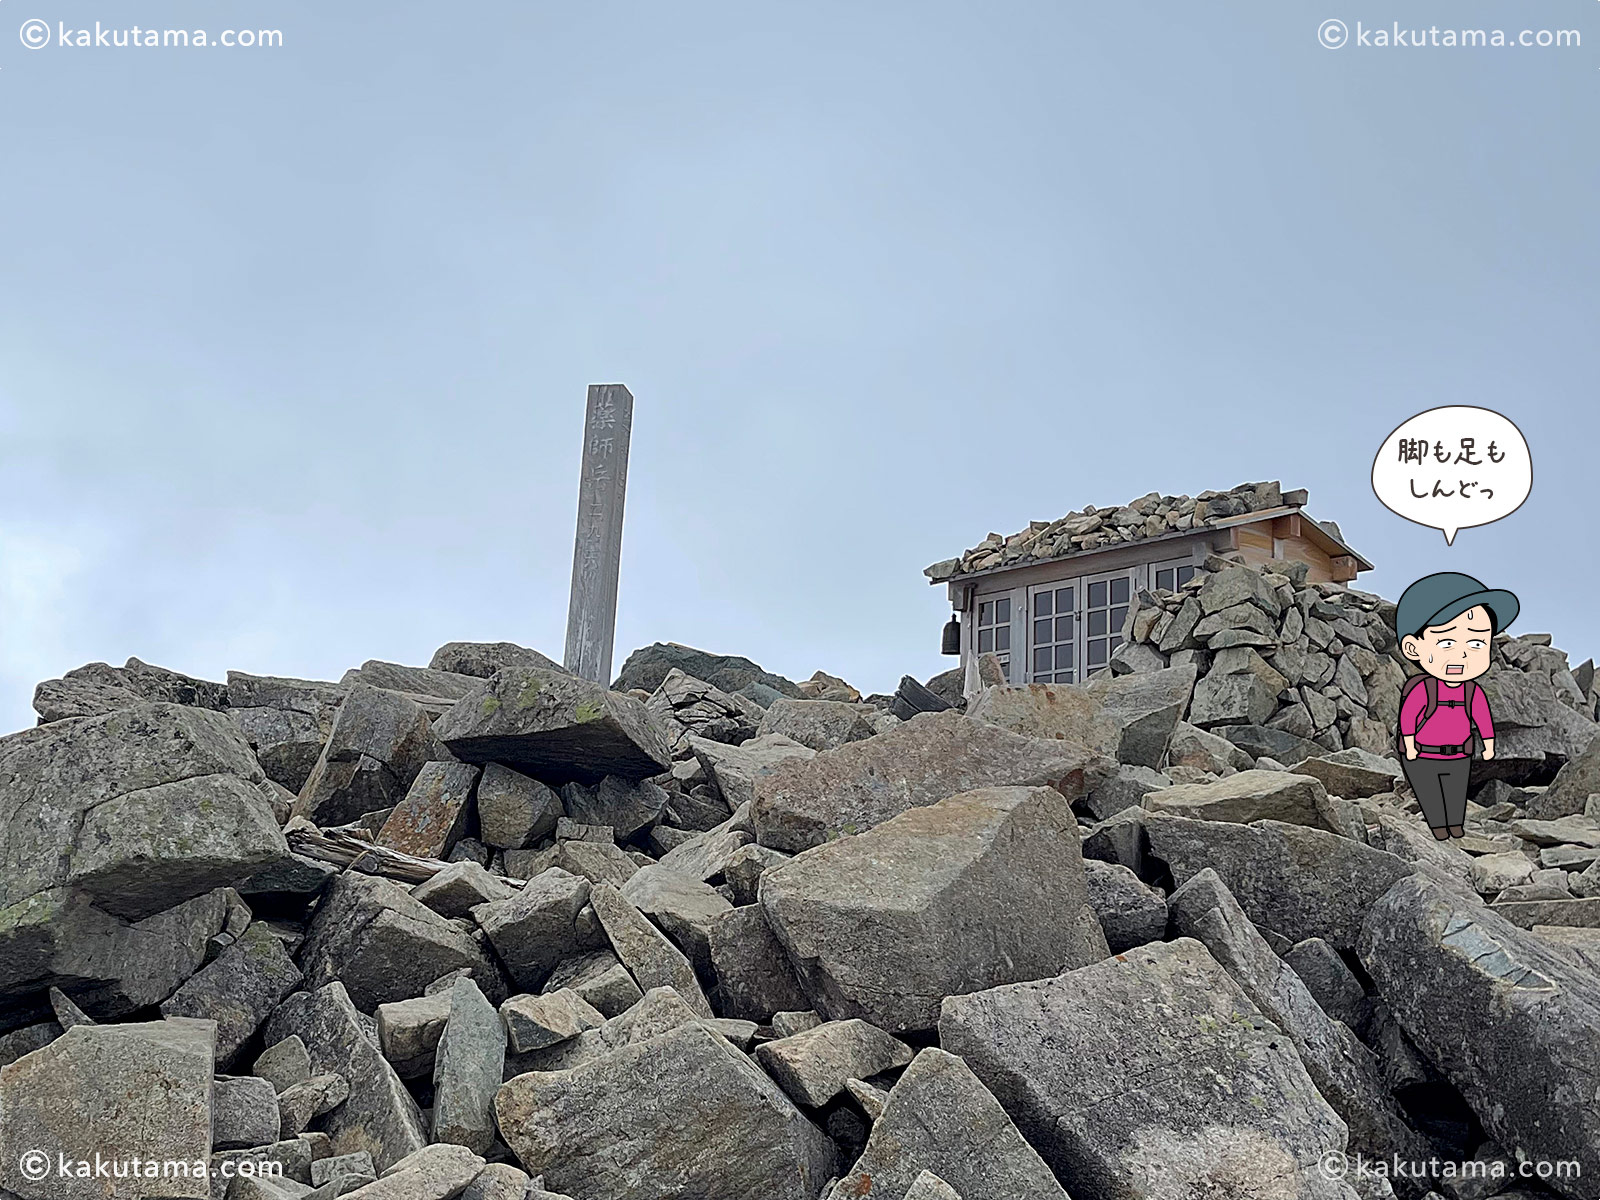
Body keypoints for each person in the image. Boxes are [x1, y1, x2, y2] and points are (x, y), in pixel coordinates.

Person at [1392, 571, 1519, 840]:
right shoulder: (1423, 688)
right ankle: (1438, 826)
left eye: (1476, 643)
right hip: (1423, 755)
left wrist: (1489, 744)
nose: (1462, 653)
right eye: (1447, 642)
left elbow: (1482, 718)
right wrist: (1411, 744)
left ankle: (1454, 825)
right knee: (1430, 792)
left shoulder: (1472, 691)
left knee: (1454, 790)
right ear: (1414, 648)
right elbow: (1409, 716)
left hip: (1458, 754)